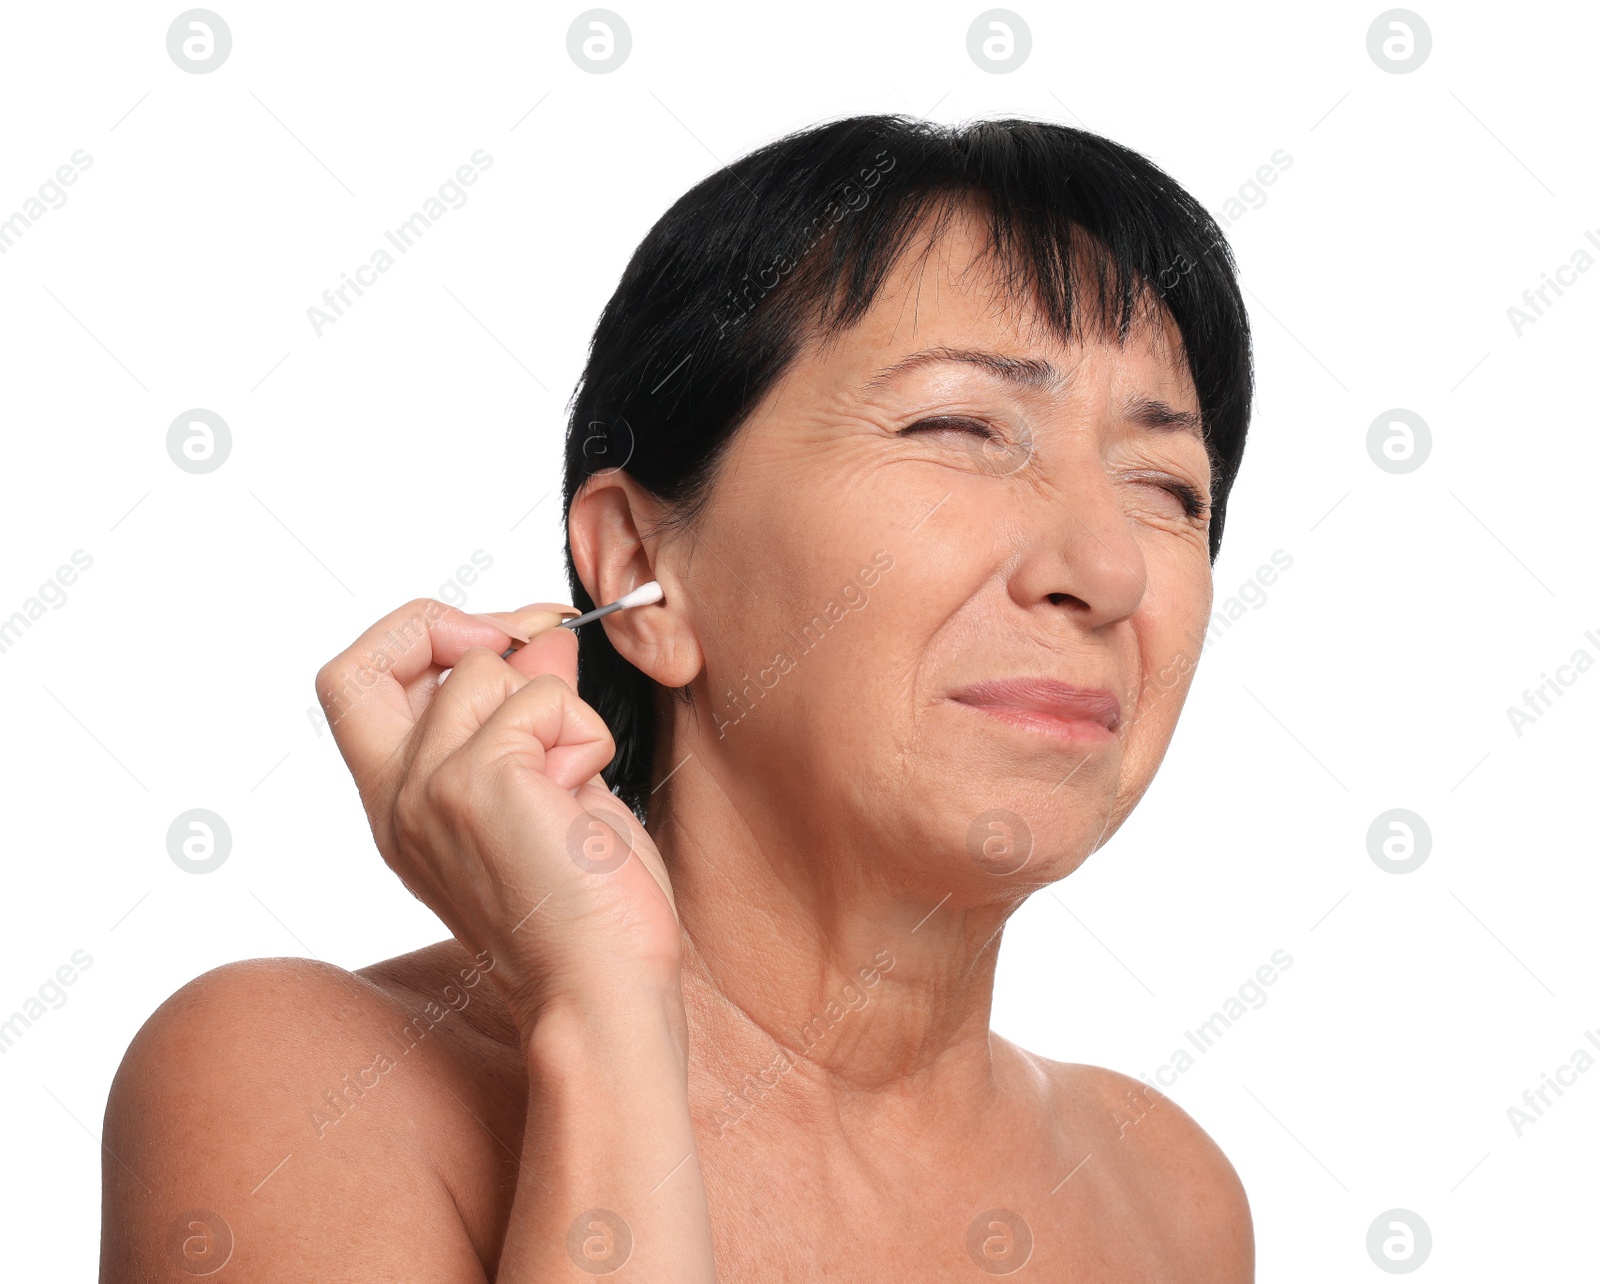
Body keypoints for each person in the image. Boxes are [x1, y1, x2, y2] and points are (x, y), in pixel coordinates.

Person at [102, 114, 1255, 1281]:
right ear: (640, 575)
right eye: (959, 426)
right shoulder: (294, 1084)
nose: (1106, 572)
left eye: (1166, 487)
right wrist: (603, 1012)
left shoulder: (1162, 1196)